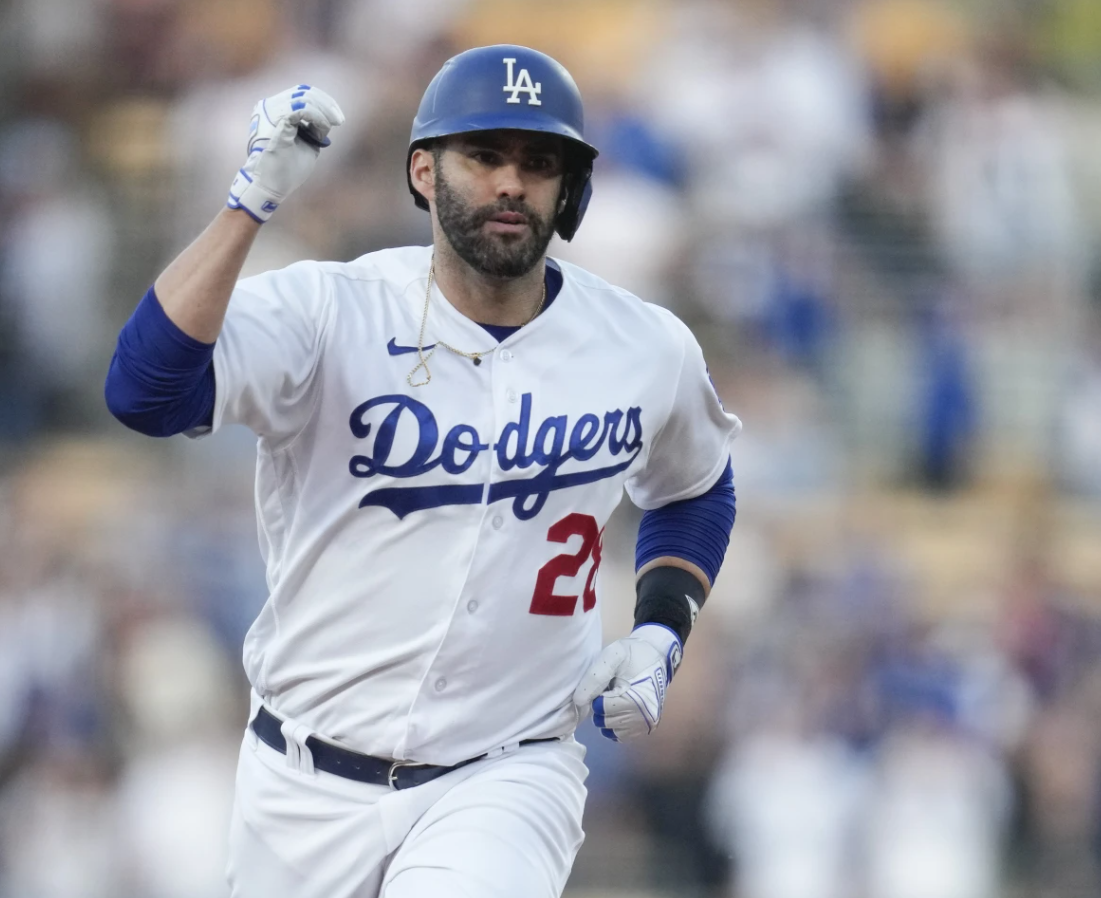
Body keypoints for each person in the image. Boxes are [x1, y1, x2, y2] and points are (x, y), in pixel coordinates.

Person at [105, 45, 740, 898]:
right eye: (483, 155)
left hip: (506, 771)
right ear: (422, 170)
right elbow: (143, 393)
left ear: (571, 187)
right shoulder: (328, 310)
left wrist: (662, 627)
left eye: (538, 162)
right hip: (301, 780)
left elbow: (696, 485)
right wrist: (245, 208)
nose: (511, 183)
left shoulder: (643, 345)